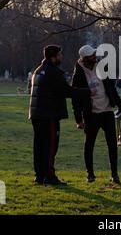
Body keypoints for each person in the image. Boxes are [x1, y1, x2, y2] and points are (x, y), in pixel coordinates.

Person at [29, 45, 91, 186]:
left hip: (37, 114)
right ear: (53, 56)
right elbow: (67, 91)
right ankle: (49, 176)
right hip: (49, 115)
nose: (61, 57)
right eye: (60, 54)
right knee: (51, 146)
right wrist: (88, 91)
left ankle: (40, 175)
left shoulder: (38, 70)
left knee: (39, 146)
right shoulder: (53, 72)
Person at [71, 45, 121, 184]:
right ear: (84, 58)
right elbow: (75, 98)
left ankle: (114, 174)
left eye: (94, 54)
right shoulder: (78, 73)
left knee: (112, 145)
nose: (95, 57)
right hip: (91, 113)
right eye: (92, 55)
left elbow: (111, 87)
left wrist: (120, 105)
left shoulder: (101, 66)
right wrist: (78, 119)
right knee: (89, 144)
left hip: (107, 111)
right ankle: (90, 174)